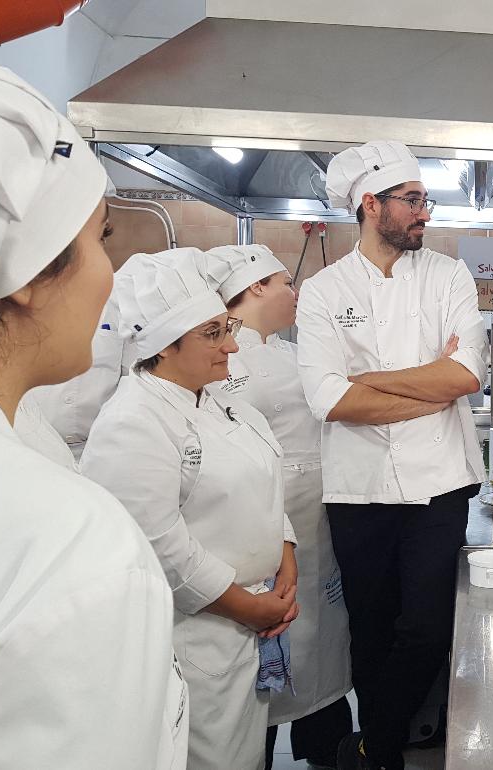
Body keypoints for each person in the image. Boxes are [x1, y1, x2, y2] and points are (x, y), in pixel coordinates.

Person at [0, 62, 187, 770]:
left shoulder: (19, 448)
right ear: (30, 275)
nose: (109, 276)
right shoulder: (69, 544)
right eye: (102, 240)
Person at [296, 140, 487, 770]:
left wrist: (369, 382)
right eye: (411, 201)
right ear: (369, 204)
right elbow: (325, 397)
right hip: (358, 487)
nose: (424, 213)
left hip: (440, 482)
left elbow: (463, 376)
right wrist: (425, 381)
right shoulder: (323, 291)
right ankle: (385, 755)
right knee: (369, 630)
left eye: (424, 200)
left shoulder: (449, 276)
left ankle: (374, 740)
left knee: (429, 630)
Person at [81, 248, 298, 770]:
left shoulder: (228, 405)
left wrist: (285, 566)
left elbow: (271, 492)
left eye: (228, 328)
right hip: (196, 634)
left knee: (246, 754)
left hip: (250, 624)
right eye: (212, 334)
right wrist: (248, 606)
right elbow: (157, 543)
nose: (231, 345)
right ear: (162, 345)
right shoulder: (133, 419)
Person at [204, 243, 354, 770]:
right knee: (269, 641)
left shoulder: (291, 352)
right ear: (254, 289)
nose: (295, 293)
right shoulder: (220, 361)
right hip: (259, 526)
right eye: (285, 283)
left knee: (324, 641)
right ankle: (258, 754)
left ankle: (326, 746)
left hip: (317, 521)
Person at [28, 254, 144, 463]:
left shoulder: (116, 301)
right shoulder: (21, 304)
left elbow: (132, 376)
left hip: (100, 446)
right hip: (31, 446)